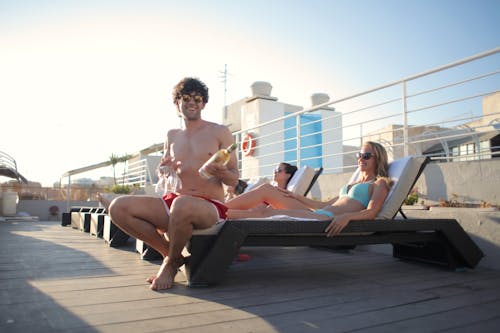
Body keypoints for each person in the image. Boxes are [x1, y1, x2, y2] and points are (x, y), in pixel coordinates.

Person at [100, 77, 239, 290]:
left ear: (203, 104)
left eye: (197, 98)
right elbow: (166, 173)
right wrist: (164, 170)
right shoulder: (171, 135)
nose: (192, 102)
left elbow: (234, 178)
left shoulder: (219, 132)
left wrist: (221, 172)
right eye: (186, 98)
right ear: (177, 103)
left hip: (209, 206)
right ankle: (171, 255)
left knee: (182, 204)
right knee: (118, 207)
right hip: (174, 202)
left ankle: (169, 265)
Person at [226, 141, 392, 237]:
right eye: (359, 155)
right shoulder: (352, 184)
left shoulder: (379, 183)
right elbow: (321, 205)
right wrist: (295, 196)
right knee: (267, 190)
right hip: (318, 213)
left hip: (325, 221)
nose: (361, 159)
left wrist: (347, 217)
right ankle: (220, 209)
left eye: (366, 156)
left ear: (378, 159)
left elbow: (372, 212)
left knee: (269, 213)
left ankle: (218, 214)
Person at [224, 162, 298, 210]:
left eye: (278, 170)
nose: (275, 172)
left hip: (251, 212)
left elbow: (269, 210)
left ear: (287, 175)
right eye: (275, 169)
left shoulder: (283, 194)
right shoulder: (271, 187)